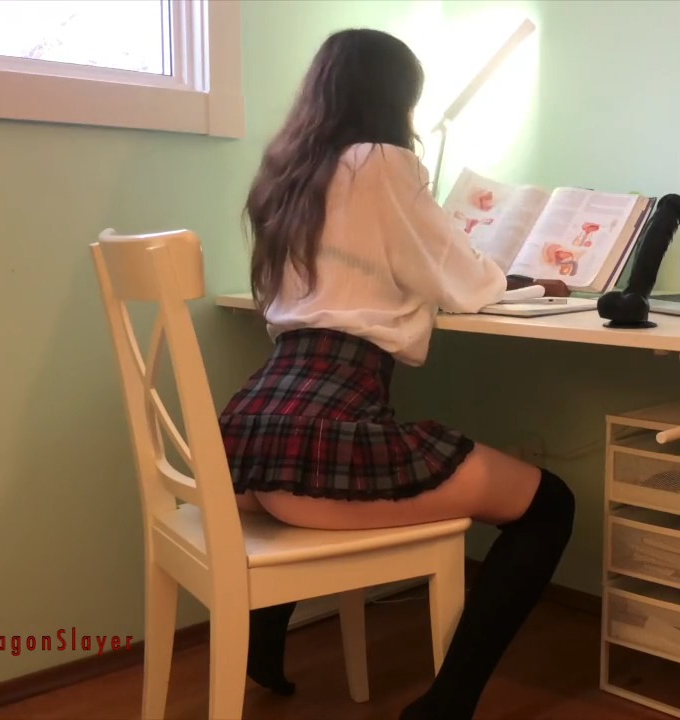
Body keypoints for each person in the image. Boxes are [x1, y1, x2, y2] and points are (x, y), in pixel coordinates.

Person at [219, 27, 575, 720]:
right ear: (396, 99)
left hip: (246, 440)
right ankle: (447, 705)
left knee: (333, 442)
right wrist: (517, 279)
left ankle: (266, 640)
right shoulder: (382, 163)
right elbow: (467, 283)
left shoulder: (288, 175)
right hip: (315, 448)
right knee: (550, 506)